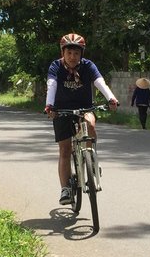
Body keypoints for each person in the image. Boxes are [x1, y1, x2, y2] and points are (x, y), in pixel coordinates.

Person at [45, 33, 118, 205]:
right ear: (63, 52)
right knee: (64, 150)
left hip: (85, 108)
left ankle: (91, 159)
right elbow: (52, 85)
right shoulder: (56, 66)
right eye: (69, 53)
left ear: (81, 54)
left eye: (76, 53)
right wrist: (49, 105)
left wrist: (111, 98)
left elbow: (99, 82)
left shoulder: (88, 66)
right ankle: (65, 189)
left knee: (90, 123)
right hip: (61, 110)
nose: (72, 57)